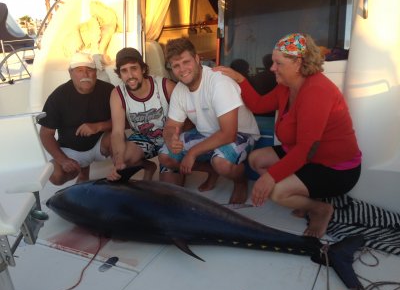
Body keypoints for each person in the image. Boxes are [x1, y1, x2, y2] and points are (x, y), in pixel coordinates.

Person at [214, 33, 361, 238]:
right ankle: (302, 193)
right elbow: (258, 104)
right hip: (307, 155)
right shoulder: (286, 86)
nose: (272, 68)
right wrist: (239, 78)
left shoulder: (317, 91)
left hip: (334, 167)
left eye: (278, 63)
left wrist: (270, 179)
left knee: (276, 192)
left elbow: (306, 150)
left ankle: (320, 209)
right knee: (256, 159)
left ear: (298, 63)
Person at [158, 37, 260, 203]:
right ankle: (212, 170)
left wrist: (192, 152)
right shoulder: (179, 89)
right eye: (176, 65)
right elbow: (171, 125)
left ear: (197, 59)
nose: (182, 69)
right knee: (165, 156)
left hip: (241, 133)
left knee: (221, 162)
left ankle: (240, 182)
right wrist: (170, 138)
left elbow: (228, 134)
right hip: (206, 133)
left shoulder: (218, 82)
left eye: (186, 62)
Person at [39, 52, 114, 185]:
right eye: (79, 70)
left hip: (100, 144)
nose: (85, 75)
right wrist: (63, 160)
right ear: (70, 73)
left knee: (118, 138)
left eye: (89, 70)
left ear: (95, 72)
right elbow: (46, 134)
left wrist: (98, 126)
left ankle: (119, 173)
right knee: (56, 176)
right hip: (71, 150)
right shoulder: (58, 96)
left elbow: (125, 122)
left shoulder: (109, 90)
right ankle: (83, 173)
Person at [107, 47, 178, 182]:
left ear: (143, 69)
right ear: (119, 74)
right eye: (124, 70)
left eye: (134, 68)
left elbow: (186, 120)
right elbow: (117, 132)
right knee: (123, 158)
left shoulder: (165, 86)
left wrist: (178, 144)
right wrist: (119, 161)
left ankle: (174, 168)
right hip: (145, 139)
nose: (130, 75)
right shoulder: (117, 94)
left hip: (170, 139)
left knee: (170, 190)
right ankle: (148, 167)